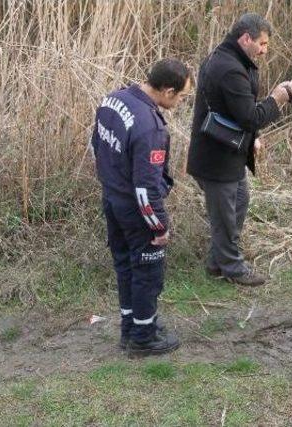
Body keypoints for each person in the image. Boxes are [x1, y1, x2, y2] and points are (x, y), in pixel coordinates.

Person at [187, 13, 292, 287]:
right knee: (225, 215)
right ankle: (233, 269)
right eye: (262, 43)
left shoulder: (229, 59)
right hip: (216, 158)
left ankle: (217, 262)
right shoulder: (230, 69)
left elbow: (233, 112)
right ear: (245, 38)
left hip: (226, 153)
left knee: (239, 202)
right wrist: (277, 99)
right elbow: (249, 117)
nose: (264, 50)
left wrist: (252, 139)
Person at [91, 59, 192, 355]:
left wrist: (111, 184)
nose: (182, 102)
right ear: (168, 90)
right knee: (147, 271)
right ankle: (144, 338)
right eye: (182, 96)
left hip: (111, 199)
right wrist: (159, 227)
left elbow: (95, 145)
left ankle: (130, 328)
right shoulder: (150, 128)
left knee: (125, 265)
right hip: (135, 210)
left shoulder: (113, 100)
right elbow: (146, 189)